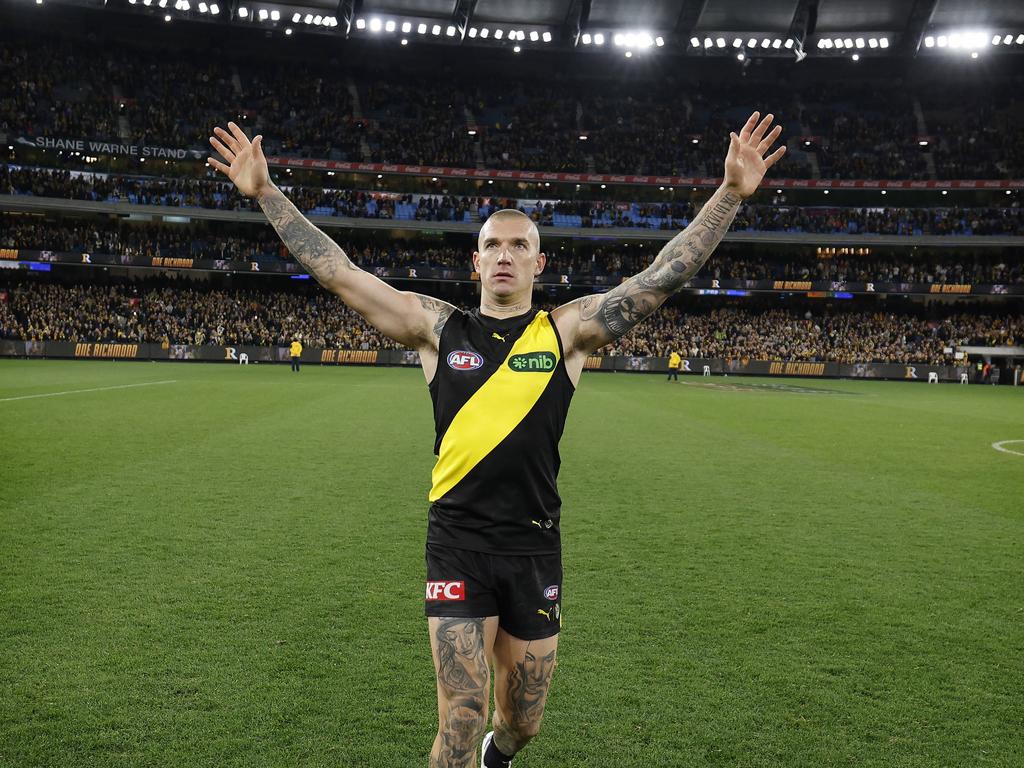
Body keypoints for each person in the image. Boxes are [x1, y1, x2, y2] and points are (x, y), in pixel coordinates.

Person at [207, 110, 785, 767]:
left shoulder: (566, 332)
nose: (504, 255)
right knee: (459, 711)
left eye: (517, 245)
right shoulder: (436, 328)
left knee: (524, 720)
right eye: (493, 245)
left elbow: (659, 278)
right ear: (475, 261)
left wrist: (731, 194)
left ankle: (500, 752)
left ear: (539, 260)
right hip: (457, 537)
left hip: (533, 543)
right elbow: (339, 272)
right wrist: (264, 192)